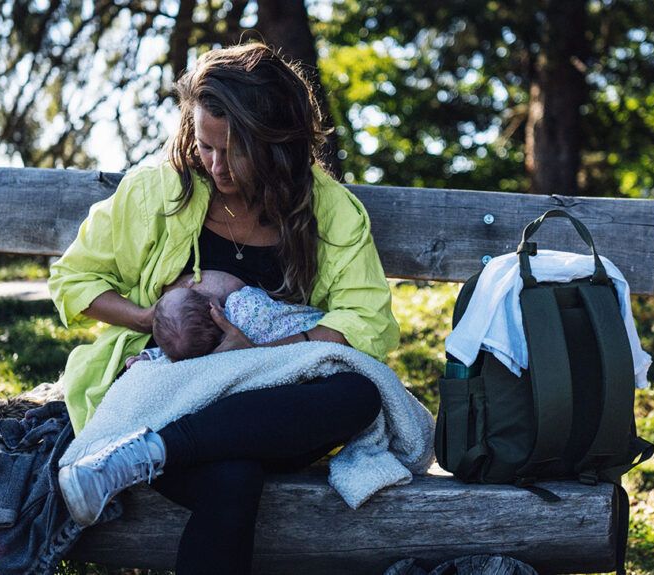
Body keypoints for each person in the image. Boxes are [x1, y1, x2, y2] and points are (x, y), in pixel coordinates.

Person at [48, 43, 399, 574]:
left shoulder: (329, 210)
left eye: (232, 150)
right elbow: (74, 279)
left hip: (271, 395)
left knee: (359, 393)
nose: (214, 165)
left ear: (277, 144)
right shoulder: (157, 190)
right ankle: (158, 446)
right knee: (233, 476)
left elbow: (364, 321)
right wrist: (156, 319)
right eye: (204, 146)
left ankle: (147, 454)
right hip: (173, 391)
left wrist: (256, 352)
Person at [137, 270, 325, 363]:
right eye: (192, 291)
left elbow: (175, 355)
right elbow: (257, 296)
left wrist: (147, 357)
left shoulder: (202, 354)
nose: (189, 285)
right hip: (314, 326)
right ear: (214, 307)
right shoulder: (240, 304)